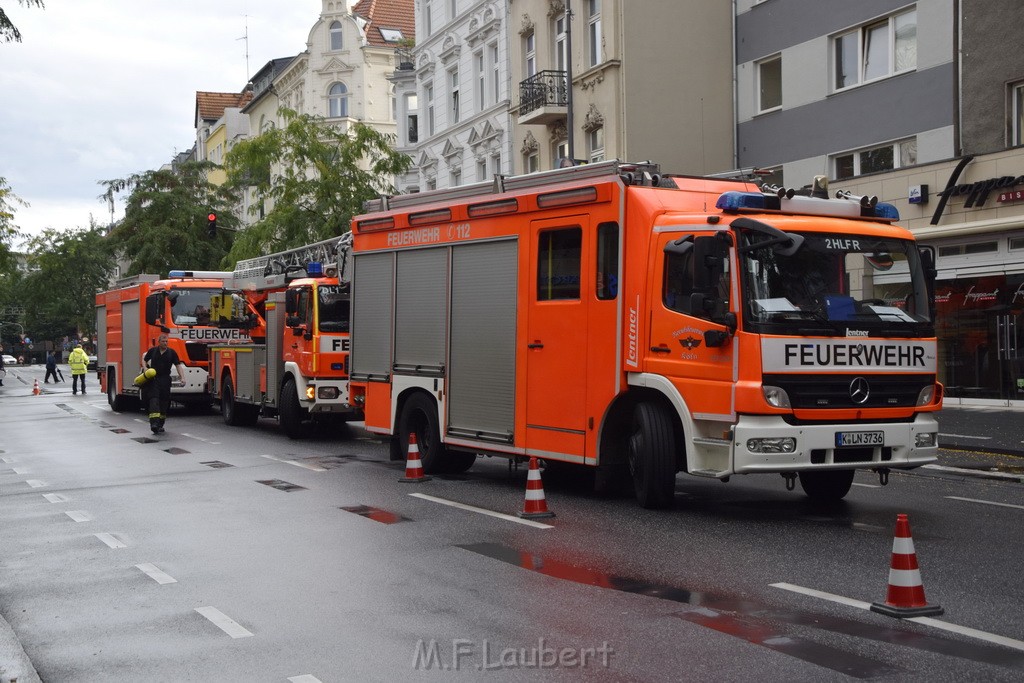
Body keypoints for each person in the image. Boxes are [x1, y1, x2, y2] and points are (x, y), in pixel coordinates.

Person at [141, 334, 185, 434]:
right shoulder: (152, 351)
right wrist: (145, 368)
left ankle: (160, 424)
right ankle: (154, 424)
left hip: (165, 380)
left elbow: (178, 365)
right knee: (154, 400)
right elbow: (144, 359)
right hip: (154, 379)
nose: (165, 343)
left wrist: (182, 377)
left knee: (164, 403)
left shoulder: (171, 353)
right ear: (159, 342)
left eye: (166, 342)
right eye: (163, 341)